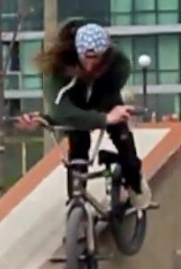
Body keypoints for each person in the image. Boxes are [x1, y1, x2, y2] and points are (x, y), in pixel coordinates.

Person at [14, 18, 151, 208]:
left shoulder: (117, 62)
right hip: (75, 100)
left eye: (96, 58)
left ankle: (135, 182)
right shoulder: (58, 67)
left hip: (104, 93)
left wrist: (108, 115)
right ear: (77, 52)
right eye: (86, 58)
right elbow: (61, 111)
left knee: (122, 134)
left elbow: (110, 98)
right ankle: (76, 202)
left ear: (104, 54)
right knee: (78, 141)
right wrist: (46, 119)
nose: (90, 64)